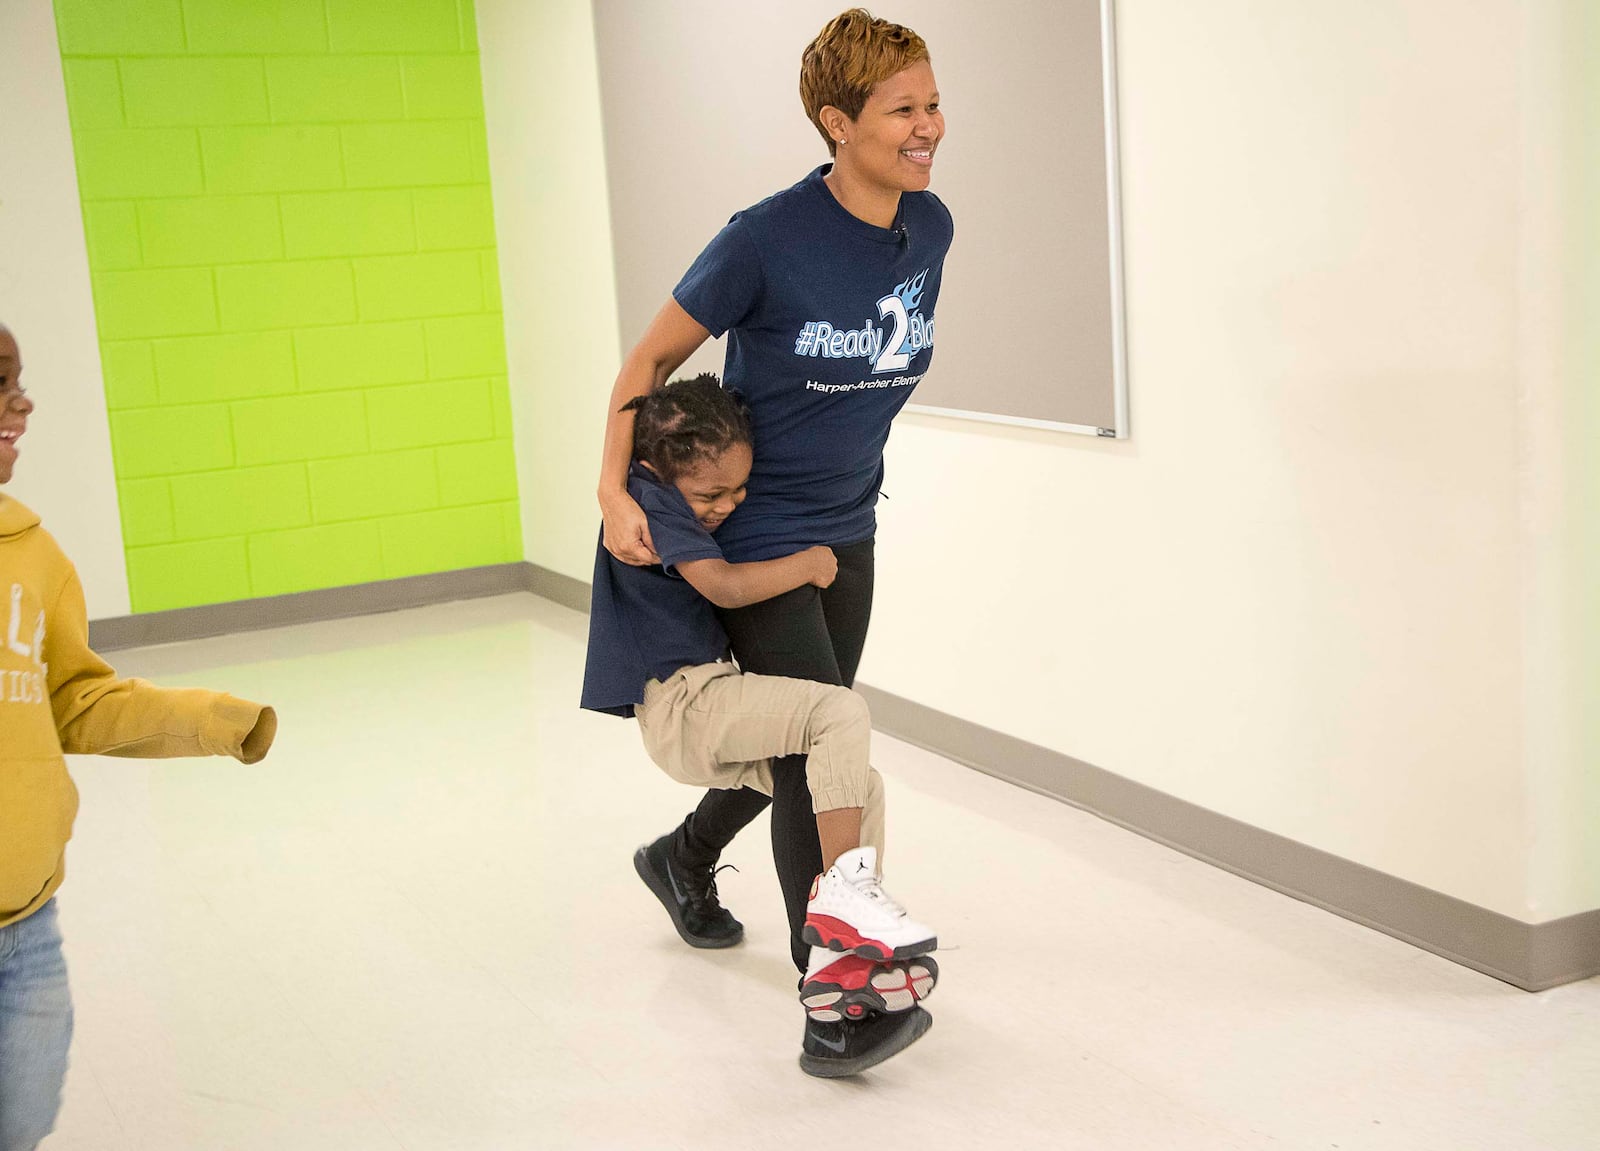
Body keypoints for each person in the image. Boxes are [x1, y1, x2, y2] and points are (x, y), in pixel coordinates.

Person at [594, 9, 951, 1063]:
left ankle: (680, 854)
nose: (928, 126)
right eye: (902, 109)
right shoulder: (764, 239)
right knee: (815, 742)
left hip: (849, 530)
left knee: (808, 746)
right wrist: (616, 491)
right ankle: (833, 993)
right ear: (837, 123)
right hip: (761, 535)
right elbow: (643, 366)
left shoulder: (928, 228)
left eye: (932, 102)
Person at [582, 374, 936, 1077]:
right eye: (711, 495)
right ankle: (842, 919)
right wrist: (804, 562)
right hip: (686, 704)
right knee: (837, 712)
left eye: (738, 491)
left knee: (855, 783)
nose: (727, 507)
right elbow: (724, 586)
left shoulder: (668, 487)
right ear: (657, 469)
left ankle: (843, 940)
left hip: (709, 698)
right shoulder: (651, 499)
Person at [0, 323, 278, 1150]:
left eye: (19, 378)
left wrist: (204, 719)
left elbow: (72, 698)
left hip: (25, 929)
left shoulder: (34, 555)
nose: (24, 400)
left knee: (22, 1126)